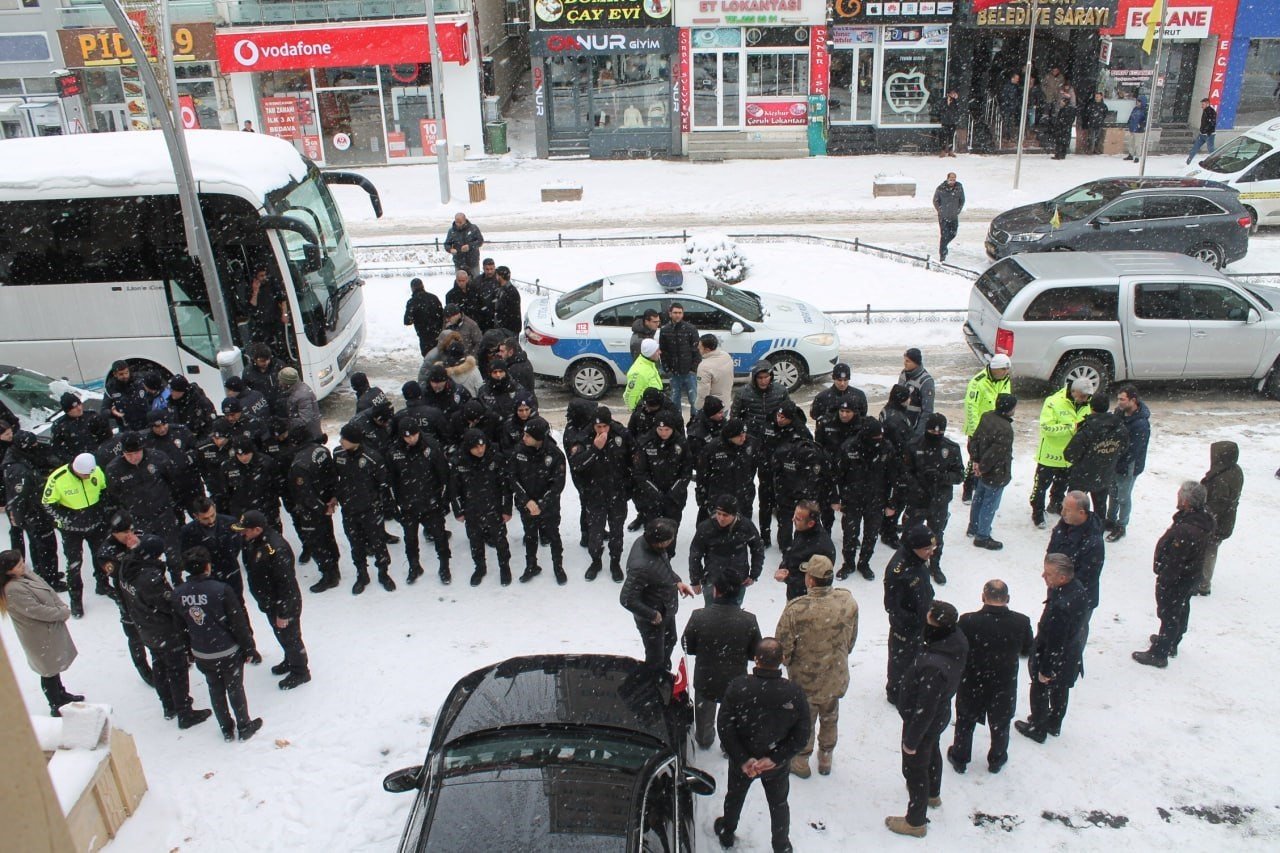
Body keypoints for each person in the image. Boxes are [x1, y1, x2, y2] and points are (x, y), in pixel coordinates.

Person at [714, 638, 810, 853]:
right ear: (782, 660)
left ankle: (727, 832)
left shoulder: (739, 686)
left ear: (756, 659)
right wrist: (775, 758)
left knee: (735, 796)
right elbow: (802, 734)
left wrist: (743, 759)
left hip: (744, 759)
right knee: (779, 804)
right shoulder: (793, 692)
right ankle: (781, 845)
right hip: (774, 763)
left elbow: (725, 727)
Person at [887, 601, 968, 839]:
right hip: (939, 716)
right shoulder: (956, 640)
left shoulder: (934, 665)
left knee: (915, 768)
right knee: (932, 751)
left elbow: (925, 709)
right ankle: (933, 793)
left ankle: (915, 821)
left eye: (929, 621)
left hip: (922, 722)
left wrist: (911, 741)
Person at [776, 555, 858, 778]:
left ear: (810, 580)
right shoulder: (847, 601)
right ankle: (825, 756)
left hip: (805, 679)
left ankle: (801, 761)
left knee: (805, 721)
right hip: (835, 675)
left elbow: (783, 650)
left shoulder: (796, 609)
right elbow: (851, 640)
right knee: (830, 716)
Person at [118, 535, 212, 727]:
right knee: (177, 669)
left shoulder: (127, 568)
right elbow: (166, 604)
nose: (160, 559)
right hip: (164, 630)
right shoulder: (149, 579)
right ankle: (185, 712)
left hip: (145, 628)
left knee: (159, 665)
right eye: (158, 556)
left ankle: (168, 705)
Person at [174, 548, 263, 742]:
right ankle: (244, 724)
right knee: (235, 688)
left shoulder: (178, 593)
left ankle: (226, 727)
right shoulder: (221, 590)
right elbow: (238, 623)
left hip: (202, 652)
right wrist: (249, 647)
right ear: (208, 566)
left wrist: (188, 650)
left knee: (215, 688)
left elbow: (180, 626)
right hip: (227, 650)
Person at [948, 580, 1033, 775]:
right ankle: (997, 758)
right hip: (1003, 683)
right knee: (1001, 723)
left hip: (972, 681)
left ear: (983, 597)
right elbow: (1027, 649)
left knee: (965, 720)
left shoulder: (968, 621)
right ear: (1008, 599)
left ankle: (960, 757)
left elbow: (959, 647)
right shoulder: (1021, 622)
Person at [1133, 482, 1216, 668]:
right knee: (1180, 609)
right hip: (1190, 576)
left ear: (1186, 501)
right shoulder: (1201, 520)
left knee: (1169, 613)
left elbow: (1175, 561)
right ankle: (1171, 641)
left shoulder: (1186, 530)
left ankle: (1160, 653)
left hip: (1177, 579)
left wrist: (1164, 579)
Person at [1015, 553, 1090, 743]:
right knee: (1061, 689)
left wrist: (1046, 669)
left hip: (1054, 654)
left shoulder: (1061, 605)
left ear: (1062, 578)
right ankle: (1055, 722)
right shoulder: (1076, 589)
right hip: (1071, 653)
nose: (1043, 576)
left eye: (1048, 574)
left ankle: (1038, 727)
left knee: (1040, 688)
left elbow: (1055, 641)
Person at [0, 550, 84, 716]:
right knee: (48, 671)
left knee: (52, 667)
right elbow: (37, 611)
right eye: (18, 565)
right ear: (8, 571)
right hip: (39, 635)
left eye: (22, 561)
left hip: (46, 631)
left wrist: (58, 606)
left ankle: (61, 694)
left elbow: (45, 590)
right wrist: (61, 613)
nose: (23, 565)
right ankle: (56, 703)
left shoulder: (23, 576)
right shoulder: (13, 589)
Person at [234, 510, 309, 689]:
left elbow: (286, 584)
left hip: (282, 604)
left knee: (291, 637)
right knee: (282, 635)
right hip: (271, 603)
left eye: (246, 530)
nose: (242, 533)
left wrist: (284, 612)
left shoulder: (275, 548)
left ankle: (300, 671)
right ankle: (290, 659)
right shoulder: (256, 541)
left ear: (257, 529)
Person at [681, 580, 761, 749]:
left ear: (716, 591)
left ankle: (704, 739)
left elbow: (687, 645)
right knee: (732, 715)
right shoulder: (749, 620)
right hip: (735, 679)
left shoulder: (699, 616)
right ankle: (729, 745)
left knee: (704, 713)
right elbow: (755, 653)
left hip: (706, 677)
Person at [620, 518, 694, 672]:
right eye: (671, 539)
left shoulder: (653, 547)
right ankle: (654, 682)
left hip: (665, 608)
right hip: (652, 620)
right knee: (655, 657)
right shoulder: (641, 566)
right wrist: (652, 615)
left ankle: (664, 671)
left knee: (670, 640)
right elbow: (626, 599)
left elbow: (662, 568)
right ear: (660, 543)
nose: (673, 540)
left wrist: (677, 581)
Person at [42, 451, 112, 616]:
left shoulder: (96, 471)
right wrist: (67, 518)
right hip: (71, 530)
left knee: (100, 555)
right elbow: (47, 503)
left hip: (95, 524)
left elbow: (104, 491)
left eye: (90, 473)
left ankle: (103, 584)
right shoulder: (58, 478)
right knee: (74, 563)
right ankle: (76, 599)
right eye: (85, 474)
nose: (88, 477)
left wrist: (103, 511)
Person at [831, 419, 899, 579]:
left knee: (871, 534)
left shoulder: (886, 449)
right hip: (851, 499)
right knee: (850, 534)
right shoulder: (849, 448)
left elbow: (894, 477)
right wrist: (835, 498)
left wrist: (892, 503)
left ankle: (864, 563)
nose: (878, 441)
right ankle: (848, 563)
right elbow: (836, 475)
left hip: (876, 500)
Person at [901, 414, 964, 585]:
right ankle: (907, 562)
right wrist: (917, 486)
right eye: (932, 431)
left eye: (940, 432)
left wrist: (942, 477)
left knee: (936, 535)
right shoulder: (914, 445)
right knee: (910, 532)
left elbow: (960, 475)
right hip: (917, 499)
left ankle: (934, 565)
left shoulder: (951, 448)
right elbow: (905, 471)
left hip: (939, 500)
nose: (936, 434)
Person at [334, 423, 394, 594]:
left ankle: (383, 573)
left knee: (378, 544)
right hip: (349, 509)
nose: (341, 441)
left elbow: (383, 484)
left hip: (370, 509)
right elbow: (336, 478)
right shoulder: (338, 454)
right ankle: (362, 574)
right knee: (356, 544)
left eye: (344, 438)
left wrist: (379, 504)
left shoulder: (372, 458)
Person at [450, 429, 514, 586]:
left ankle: (504, 567)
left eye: (482, 446)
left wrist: (506, 509)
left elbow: (505, 486)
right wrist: (458, 510)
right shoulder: (460, 462)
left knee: (500, 541)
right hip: (472, 509)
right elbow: (454, 489)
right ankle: (480, 567)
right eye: (475, 447)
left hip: (494, 508)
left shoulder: (496, 459)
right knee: (475, 541)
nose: (480, 450)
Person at [883, 524, 937, 705]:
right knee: (900, 660)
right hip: (905, 626)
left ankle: (910, 685)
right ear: (914, 548)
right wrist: (913, 622)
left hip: (921, 618)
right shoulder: (898, 571)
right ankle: (896, 692)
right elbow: (892, 606)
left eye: (932, 547)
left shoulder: (918, 560)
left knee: (916, 657)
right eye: (927, 549)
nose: (931, 552)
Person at [1031, 378, 1092, 528]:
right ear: (1074, 392)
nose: (1086, 400)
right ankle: (1037, 513)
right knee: (1040, 487)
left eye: (1087, 397)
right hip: (1049, 456)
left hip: (1070, 457)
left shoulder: (1087, 403)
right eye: (1083, 396)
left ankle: (1055, 503)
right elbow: (1047, 428)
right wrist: (1074, 427)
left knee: (1061, 484)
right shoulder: (1053, 402)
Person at [511, 417, 566, 584]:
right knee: (530, 536)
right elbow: (512, 478)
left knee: (553, 536)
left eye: (528, 435)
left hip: (548, 507)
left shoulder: (555, 455)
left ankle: (558, 567)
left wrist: (542, 504)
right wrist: (527, 501)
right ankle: (531, 565)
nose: (524, 438)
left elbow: (558, 484)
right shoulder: (519, 451)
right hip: (527, 505)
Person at [3, 431, 60, 589]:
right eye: (33, 445)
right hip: (34, 512)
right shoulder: (19, 470)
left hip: (30, 512)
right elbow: (21, 496)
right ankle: (50, 578)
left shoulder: (17, 458)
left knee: (37, 544)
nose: (36, 447)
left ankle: (43, 572)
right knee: (46, 545)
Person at [688, 494, 765, 607]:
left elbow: (757, 548)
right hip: (712, 579)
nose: (721, 518)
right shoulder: (706, 528)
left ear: (734, 514)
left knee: (734, 613)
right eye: (718, 514)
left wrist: (754, 574)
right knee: (711, 613)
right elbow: (695, 553)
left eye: (725, 515)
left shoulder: (746, 526)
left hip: (738, 579)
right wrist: (695, 580)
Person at [1063, 392, 1129, 521]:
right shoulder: (1119, 427)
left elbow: (1069, 454)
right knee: (1100, 507)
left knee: (1074, 507)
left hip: (1082, 477)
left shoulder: (1088, 429)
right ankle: (1097, 529)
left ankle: (1070, 529)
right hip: (1104, 475)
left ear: (1091, 407)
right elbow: (1124, 448)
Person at [967, 393, 1017, 551]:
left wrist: (976, 461)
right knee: (989, 504)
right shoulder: (1006, 429)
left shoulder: (986, 416)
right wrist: (982, 467)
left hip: (982, 468)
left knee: (978, 499)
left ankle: (973, 527)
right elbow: (995, 454)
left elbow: (975, 439)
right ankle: (982, 536)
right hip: (995, 473)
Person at [962, 354, 1012, 502]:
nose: (1006, 372)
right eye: (1004, 369)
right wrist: (975, 431)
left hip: (995, 428)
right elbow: (971, 407)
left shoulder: (1005, 380)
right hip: (980, 429)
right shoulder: (978, 382)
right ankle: (968, 489)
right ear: (995, 368)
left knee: (989, 459)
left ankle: (981, 486)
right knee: (975, 460)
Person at [1106, 385, 1150, 542]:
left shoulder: (1140, 424)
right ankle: (1110, 520)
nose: (1119, 403)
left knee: (1123, 496)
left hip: (1129, 465)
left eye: (1122, 399)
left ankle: (1121, 525)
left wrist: (1120, 462)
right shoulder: (1119, 413)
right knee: (1112, 493)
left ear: (1133, 400)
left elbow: (1134, 450)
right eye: (1118, 399)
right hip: (1116, 461)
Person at [1198, 441, 1242, 596]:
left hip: (1217, 524)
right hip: (1224, 521)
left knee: (1208, 551)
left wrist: (1203, 519)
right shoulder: (1234, 471)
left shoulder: (1221, 479)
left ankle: (1203, 584)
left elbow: (1217, 505)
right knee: (1210, 550)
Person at [774, 500, 836, 597]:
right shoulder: (802, 529)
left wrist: (788, 578)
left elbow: (819, 582)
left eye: (798, 518)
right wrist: (784, 565)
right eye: (794, 515)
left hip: (808, 600)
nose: (793, 520)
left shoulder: (822, 549)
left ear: (810, 523)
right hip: (793, 592)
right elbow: (792, 550)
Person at [658, 303, 701, 417]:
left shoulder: (690, 329)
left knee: (694, 400)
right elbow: (663, 351)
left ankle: (695, 422)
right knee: (674, 400)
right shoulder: (665, 330)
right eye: (675, 313)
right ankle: (677, 423)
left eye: (680, 313)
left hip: (689, 372)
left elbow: (696, 350)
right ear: (670, 314)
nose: (677, 315)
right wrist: (667, 368)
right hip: (674, 372)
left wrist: (693, 369)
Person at [404, 278, 444, 357]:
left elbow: (407, 321)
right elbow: (442, 314)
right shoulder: (433, 298)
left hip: (424, 337)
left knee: (428, 359)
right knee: (440, 358)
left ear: (412, 288)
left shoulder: (412, 302)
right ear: (422, 286)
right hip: (438, 334)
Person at [898, 348, 934, 437]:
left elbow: (927, 411)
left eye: (908, 361)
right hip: (900, 425)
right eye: (904, 360)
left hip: (913, 427)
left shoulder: (926, 381)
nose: (905, 363)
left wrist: (918, 435)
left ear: (916, 363)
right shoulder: (903, 374)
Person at [695, 334, 734, 410]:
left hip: (712, 408)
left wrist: (698, 407)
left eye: (700, 347)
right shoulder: (726, 355)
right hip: (725, 402)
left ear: (707, 350)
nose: (698, 348)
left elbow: (703, 392)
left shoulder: (704, 367)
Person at [932, 174, 964, 262]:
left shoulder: (959, 188)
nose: (952, 181)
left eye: (954, 179)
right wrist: (940, 211)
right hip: (943, 217)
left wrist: (958, 210)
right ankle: (942, 254)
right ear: (947, 179)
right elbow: (935, 200)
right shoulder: (941, 188)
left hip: (954, 216)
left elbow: (962, 200)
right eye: (951, 179)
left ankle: (944, 246)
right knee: (944, 236)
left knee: (953, 233)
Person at [625, 338, 664, 411]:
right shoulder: (638, 372)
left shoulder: (649, 363)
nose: (660, 352)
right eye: (657, 350)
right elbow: (629, 396)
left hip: (654, 406)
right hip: (648, 410)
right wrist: (639, 414)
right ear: (650, 353)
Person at [491, 266, 522, 337]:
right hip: (504, 328)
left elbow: (509, 311)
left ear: (500, 276)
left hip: (509, 330)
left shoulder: (511, 292)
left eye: (497, 275)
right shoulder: (502, 289)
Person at [1187, 97, 1217, 164]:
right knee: (1195, 148)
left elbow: (1212, 123)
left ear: (1207, 104)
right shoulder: (1205, 111)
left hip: (1209, 135)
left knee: (1211, 150)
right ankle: (1188, 162)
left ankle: (1216, 162)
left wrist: (1207, 131)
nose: (1201, 106)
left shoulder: (1211, 112)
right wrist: (1202, 131)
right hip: (1202, 134)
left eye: (1203, 104)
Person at [1051, 94, 1077, 160]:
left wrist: (1061, 123)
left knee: (1061, 142)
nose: (1061, 103)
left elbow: (1068, 119)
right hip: (1064, 128)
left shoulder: (1067, 110)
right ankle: (1061, 154)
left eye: (1062, 102)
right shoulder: (1066, 109)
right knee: (1062, 141)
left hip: (1063, 128)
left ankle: (1059, 154)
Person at [1124, 94, 1148, 162]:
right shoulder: (1135, 108)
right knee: (1131, 143)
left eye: (1139, 101)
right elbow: (1131, 117)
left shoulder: (1145, 111)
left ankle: (1137, 156)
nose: (1138, 102)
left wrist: (1140, 125)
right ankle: (1131, 155)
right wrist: (1129, 124)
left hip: (1139, 130)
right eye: (1137, 101)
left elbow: (1146, 121)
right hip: (1132, 128)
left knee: (1137, 144)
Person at [937, 89, 962, 157]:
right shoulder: (943, 100)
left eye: (954, 93)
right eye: (951, 93)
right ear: (948, 94)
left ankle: (950, 151)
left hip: (952, 122)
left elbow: (959, 109)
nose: (952, 94)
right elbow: (940, 109)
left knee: (951, 136)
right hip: (945, 121)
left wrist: (956, 100)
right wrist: (947, 104)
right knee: (943, 137)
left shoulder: (955, 101)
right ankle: (943, 150)